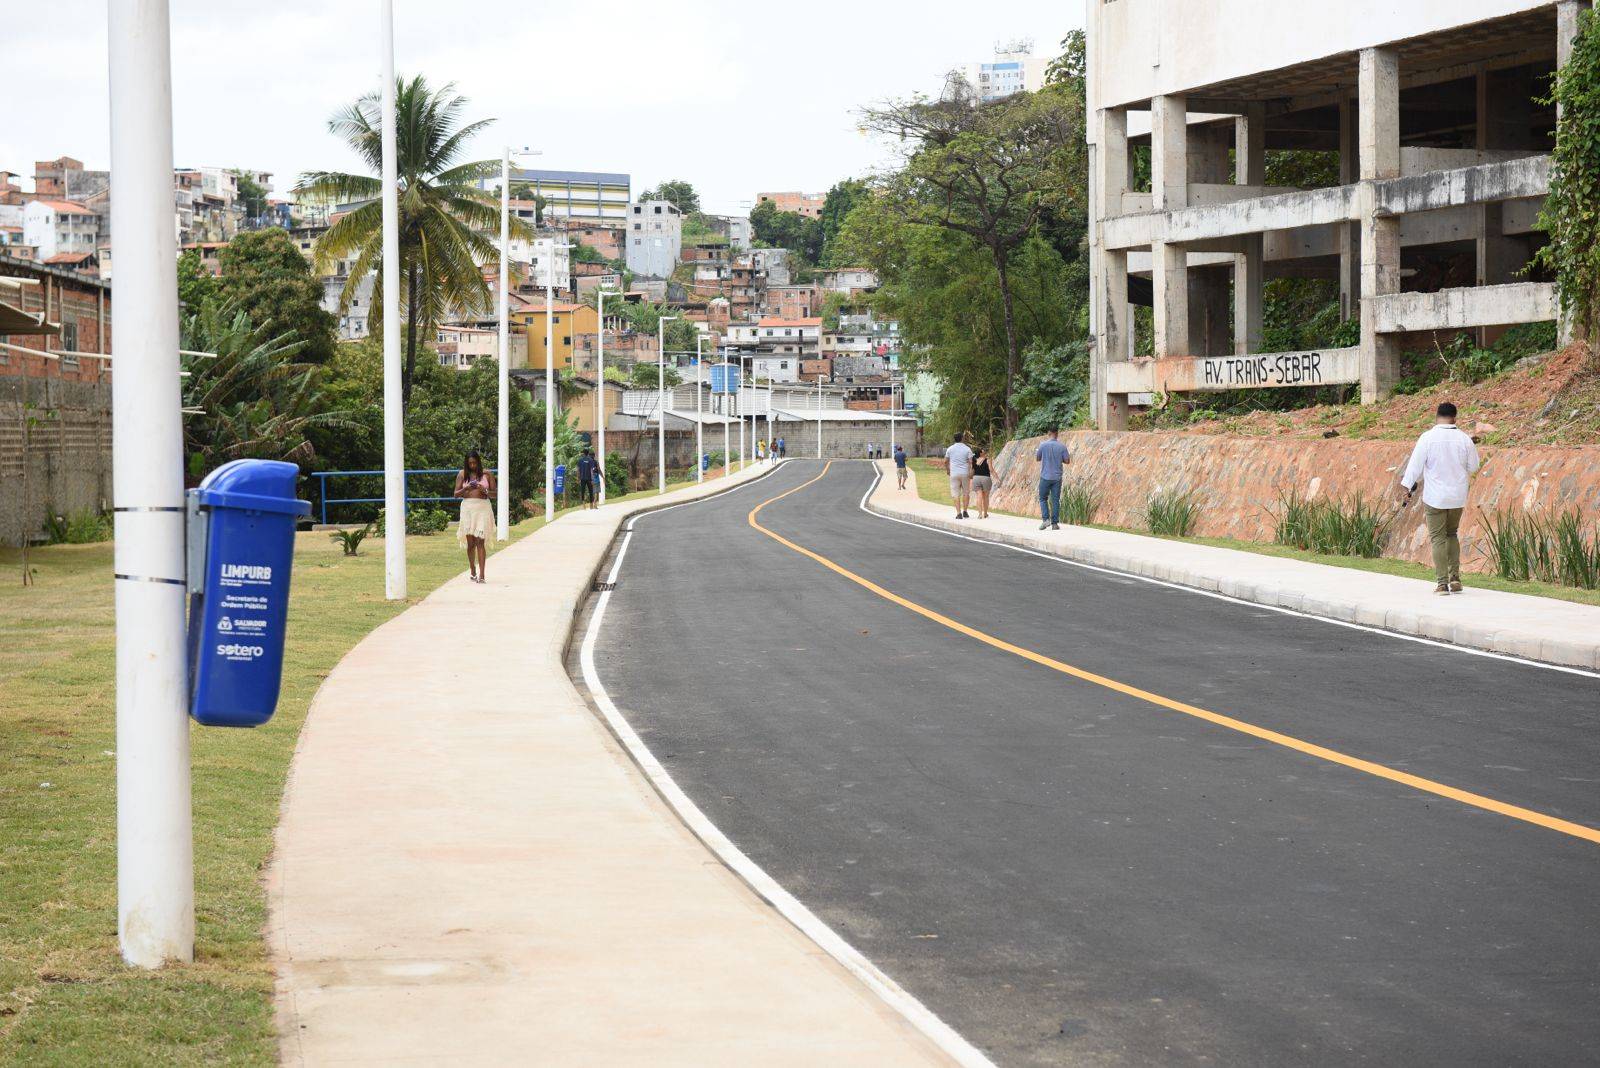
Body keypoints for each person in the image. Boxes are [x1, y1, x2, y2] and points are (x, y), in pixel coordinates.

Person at [1398, 401, 1481, 595]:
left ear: (1437, 416)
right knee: (1452, 534)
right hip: (1457, 497)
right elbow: (1474, 467)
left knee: (1437, 538)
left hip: (1435, 497)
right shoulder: (1464, 439)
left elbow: (1415, 467)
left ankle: (1442, 583)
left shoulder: (1427, 438)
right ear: (1455, 417)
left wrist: (1407, 487)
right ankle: (1455, 578)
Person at [454, 450, 496, 583]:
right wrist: (466, 489)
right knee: (470, 543)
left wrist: (485, 490)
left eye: (474, 462)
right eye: (470, 463)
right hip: (467, 509)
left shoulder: (487, 474)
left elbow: (495, 494)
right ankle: (472, 569)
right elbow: (455, 494)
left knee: (480, 541)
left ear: (478, 461)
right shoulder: (462, 474)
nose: (472, 465)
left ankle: (482, 575)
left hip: (482, 508)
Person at [1035, 427, 1071, 530]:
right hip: (1057, 477)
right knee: (1055, 500)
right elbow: (1067, 461)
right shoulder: (1062, 446)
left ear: (1049, 433)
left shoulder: (1042, 445)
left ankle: (1046, 520)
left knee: (1043, 498)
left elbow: (1037, 459)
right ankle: (1055, 524)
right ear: (1057, 434)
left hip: (1045, 476)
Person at [945, 432, 974, 519]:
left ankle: (958, 513)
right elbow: (970, 462)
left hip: (954, 473)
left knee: (955, 494)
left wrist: (948, 470)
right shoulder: (967, 449)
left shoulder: (950, 449)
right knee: (966, 493)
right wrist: (970, 471)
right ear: (962, 438)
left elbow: (946, 461)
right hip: (965, 473)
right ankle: (965, 511)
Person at [971, 446, 993, 519]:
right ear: (980, 453)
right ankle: (985, 513)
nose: (984, 452)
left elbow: (972, 470)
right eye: (983, 451)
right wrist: (998, 478)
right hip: (986, 478)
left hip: (976, 478)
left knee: (979, 496)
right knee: (986, 497)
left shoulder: (974, 460)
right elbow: (991, 469)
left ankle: (980, 514)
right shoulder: (987, 460)